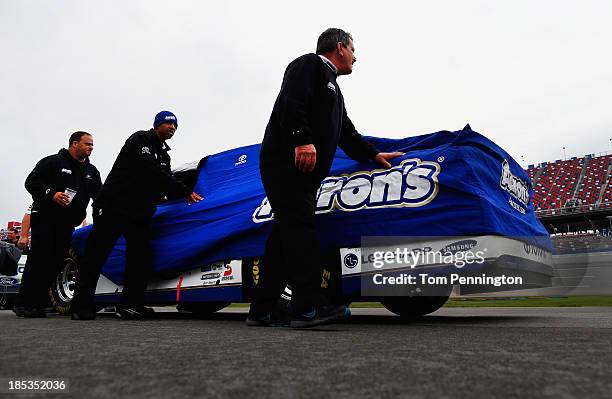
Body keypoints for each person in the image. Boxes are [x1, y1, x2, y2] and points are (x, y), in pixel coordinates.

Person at [248, 28, 403, 328]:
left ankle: (260, 310)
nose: (357, 58)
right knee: (302, 232)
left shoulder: (335, 92)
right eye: (354, 50)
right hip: (286, 165)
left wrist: (373, 156)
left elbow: (346, 132)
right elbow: (290, 102)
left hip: (304, 174)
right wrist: (301, 139)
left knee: (284, 238)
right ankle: (307, 308)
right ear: (340, 47)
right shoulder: (309, 65)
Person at [71, 111, 203, 320]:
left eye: (175, 126)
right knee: (96, 255)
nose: (172, 127)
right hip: (113, 207)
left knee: (140, 257)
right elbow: (150, 170)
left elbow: (163, 182)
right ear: (157, 124)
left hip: (139, 212)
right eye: (168, 123)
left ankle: (130, 305)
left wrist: (183, 193)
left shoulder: (164, 155)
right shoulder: (140, 139)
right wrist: (185, 191)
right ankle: (81, 306)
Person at [14, 132, 102, 317]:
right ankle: (24, 303)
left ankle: (40, 302)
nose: (91, 147)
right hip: (45, 219)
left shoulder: (91, 172)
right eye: (87, 144)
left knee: (55, 262)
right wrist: (51, 194)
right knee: (40, 259)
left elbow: (100, 196)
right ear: (74, 144)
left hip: (67, 223)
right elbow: (31, 182)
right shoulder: (53, 162)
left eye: (92, 145)